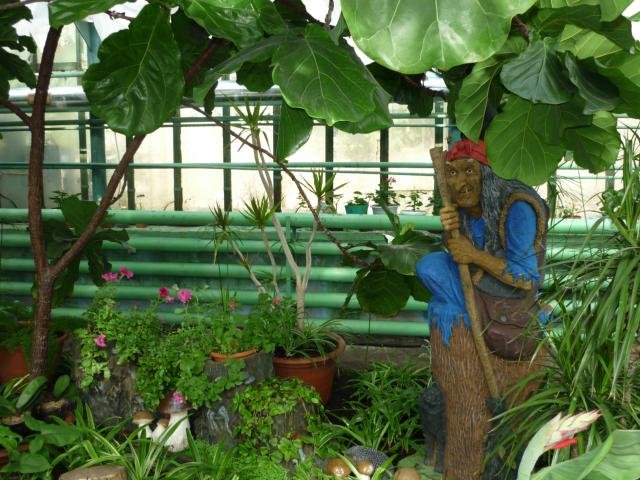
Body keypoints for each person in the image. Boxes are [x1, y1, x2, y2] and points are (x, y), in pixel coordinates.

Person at [416, 139, 549, 358]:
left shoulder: (518, 208)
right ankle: (467, 320)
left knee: (446, 297)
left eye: (469, 171)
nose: (461, 183)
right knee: (429, 266)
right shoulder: (468, 205)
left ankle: (485, 322)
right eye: (452, 173)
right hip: (478, 285)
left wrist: (474, 255)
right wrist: (451, 230)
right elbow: (458, 250)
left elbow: (526, 279)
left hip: (508, 298)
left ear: (489, 175)